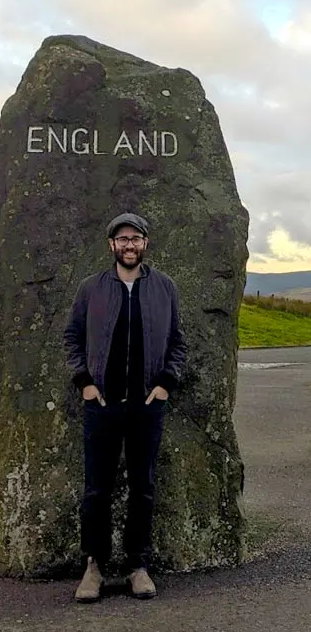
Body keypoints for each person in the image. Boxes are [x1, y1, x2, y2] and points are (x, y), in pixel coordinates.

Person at [63, 213, 186, 602]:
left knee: (143, 488)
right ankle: (94, 568)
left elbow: (179, 342)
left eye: (135, 238)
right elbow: (72, 337)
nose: (129, 245)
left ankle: (138, 566)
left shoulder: (164, 288)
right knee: (96, 491)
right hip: (102, 406)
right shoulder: (91, 288)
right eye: (122, 239)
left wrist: (166, 383)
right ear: (111, 245)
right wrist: (84, 382)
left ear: (145, 243)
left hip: (146, 407)